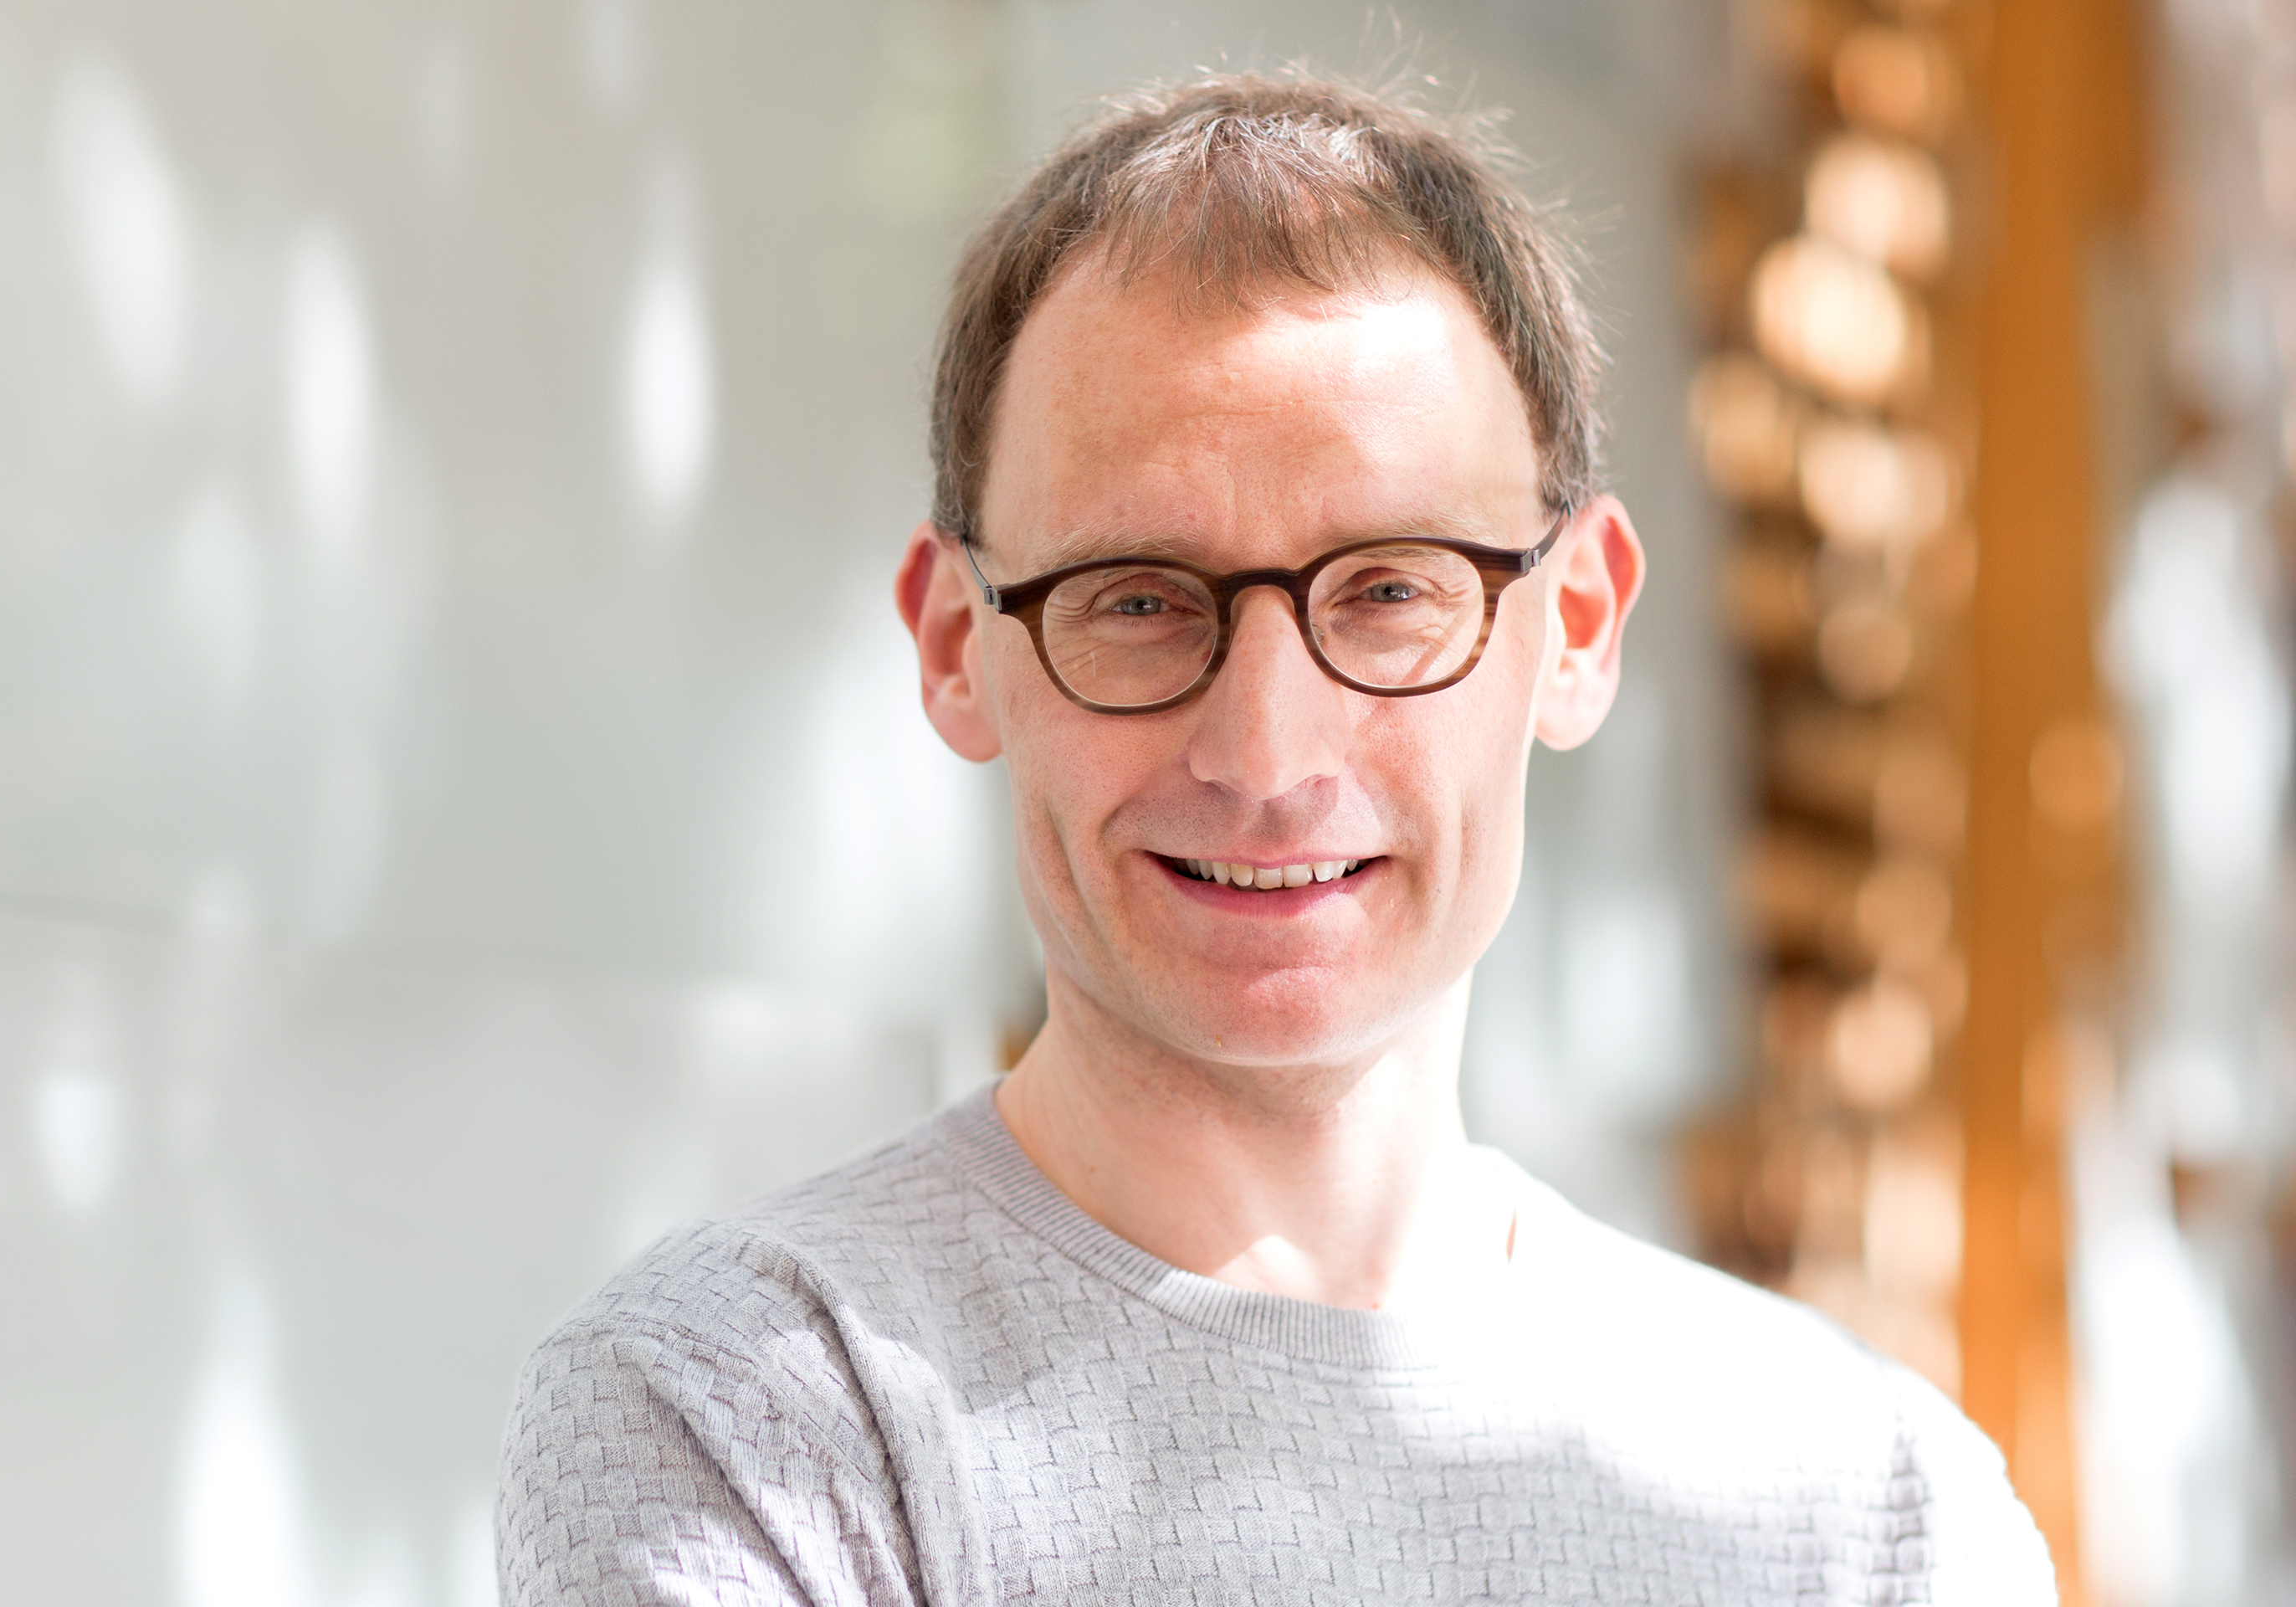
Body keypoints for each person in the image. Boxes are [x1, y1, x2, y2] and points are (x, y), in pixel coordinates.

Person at [497, 73, 2055, 1604]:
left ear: (1576, 624)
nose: (1265, 756)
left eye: (1389, 591)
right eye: (1136, 600)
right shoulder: (746, 1414)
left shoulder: (1874, 1505)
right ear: (960, 646)